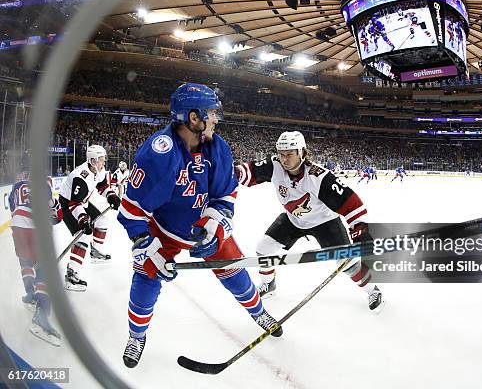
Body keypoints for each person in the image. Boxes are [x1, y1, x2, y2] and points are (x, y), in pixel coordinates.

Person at [117, 83, 282, 369]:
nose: (216, 119)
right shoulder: (159, 152)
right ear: (194, 118)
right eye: (211, 113)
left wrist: (214, 223)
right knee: (146, 277)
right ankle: (136, 335)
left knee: (235, 272)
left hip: (202, 225)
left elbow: (225, 194)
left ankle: (259, 312)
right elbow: (132, 209)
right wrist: (145, 244)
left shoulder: (217, 148)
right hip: (164, 228)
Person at [235, 131, 384, 313]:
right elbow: (247, 171)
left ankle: (372, 290)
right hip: (294, 219)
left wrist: (360, 232)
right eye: (281, 154)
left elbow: (352, 203)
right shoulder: (274, 165)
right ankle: (269, 284)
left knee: (347, 262)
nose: (284, 159)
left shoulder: (318, 177)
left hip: (325, 222)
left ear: (302, 153)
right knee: (263, 249)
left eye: (289, 154)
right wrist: (231, 174)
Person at [9, 170, 63, 346]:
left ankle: (30, 293)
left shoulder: (17, 185)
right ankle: (41, 315)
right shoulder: (44, 181)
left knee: (26, 261)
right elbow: (55, 215)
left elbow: (13, 207)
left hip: (17, 225)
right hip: (33, 226)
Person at [58, 145, 120, 291]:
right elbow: (74, 204)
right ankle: (71, 275)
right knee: (83, 237)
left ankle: (95, 252)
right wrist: (83, 220)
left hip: (82, 202)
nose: (103, 162)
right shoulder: (80, 176)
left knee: (102, 220)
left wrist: (110, 195)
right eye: (101, 160)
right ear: (92, 161)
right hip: (67, 206)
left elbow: (102, 186)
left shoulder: (98, 170)